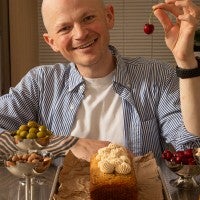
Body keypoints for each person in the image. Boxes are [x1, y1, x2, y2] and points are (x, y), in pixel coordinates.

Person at [0, 0, 200, 161]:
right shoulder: (40, 82)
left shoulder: (157, 75)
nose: (80, 34)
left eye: (88, 18)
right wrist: (67, 144)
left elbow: (192, 148)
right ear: (51, 41)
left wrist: (185, 60)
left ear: (109, 16)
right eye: (64, 28)